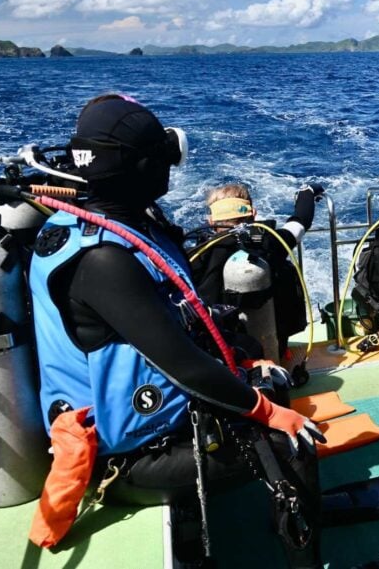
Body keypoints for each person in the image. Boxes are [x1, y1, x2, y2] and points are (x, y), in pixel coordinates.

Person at [28, 94, 323, 567]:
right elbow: (183, 365)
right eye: (161, 154)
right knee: (293, 443)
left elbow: (182, 317)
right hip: (133, 457)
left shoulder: (114, 223)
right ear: (142, 167)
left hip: (149, 421)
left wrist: (247, 360)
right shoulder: (104, 260)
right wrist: (267, 411)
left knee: (269, 382)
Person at [189, 181, 322, 364]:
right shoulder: (271, 243)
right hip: (273, 349)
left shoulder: (196, 257)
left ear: (211, 221)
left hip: (218, 357)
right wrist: (308, 192)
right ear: (253, 213)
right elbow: (300, 222)